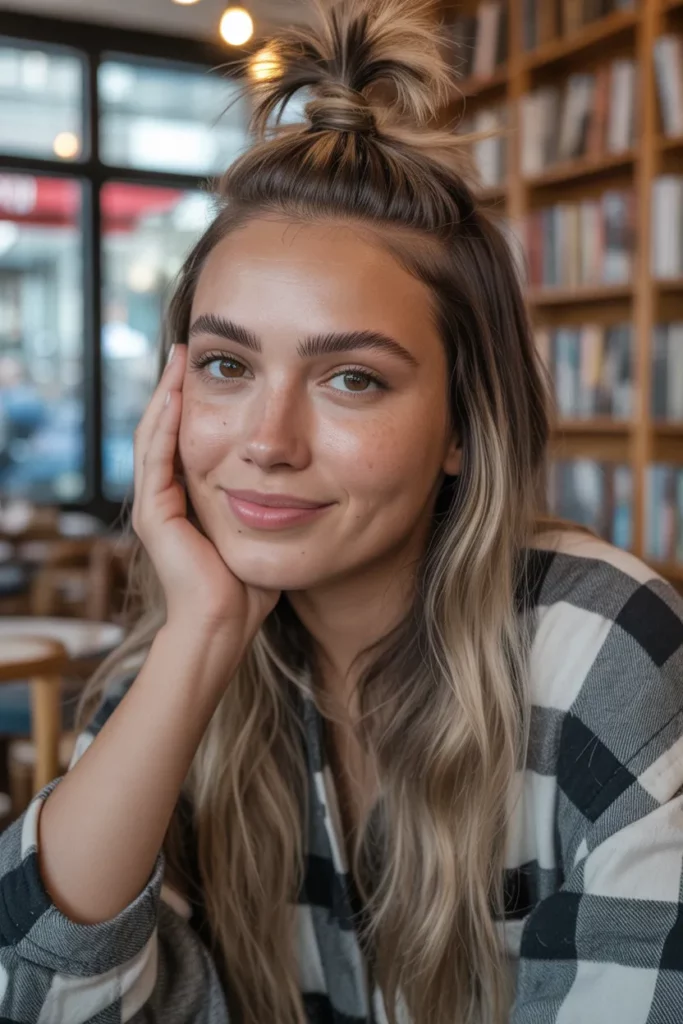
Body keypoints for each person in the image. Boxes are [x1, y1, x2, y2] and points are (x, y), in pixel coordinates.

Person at [1, 2, 682, 1022]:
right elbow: (34, 995)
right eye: (227, 365)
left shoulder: (594, 647)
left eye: (351, 379)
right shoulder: (182, 665)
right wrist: (194, 642)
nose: (267, 439)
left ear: (461, 423)